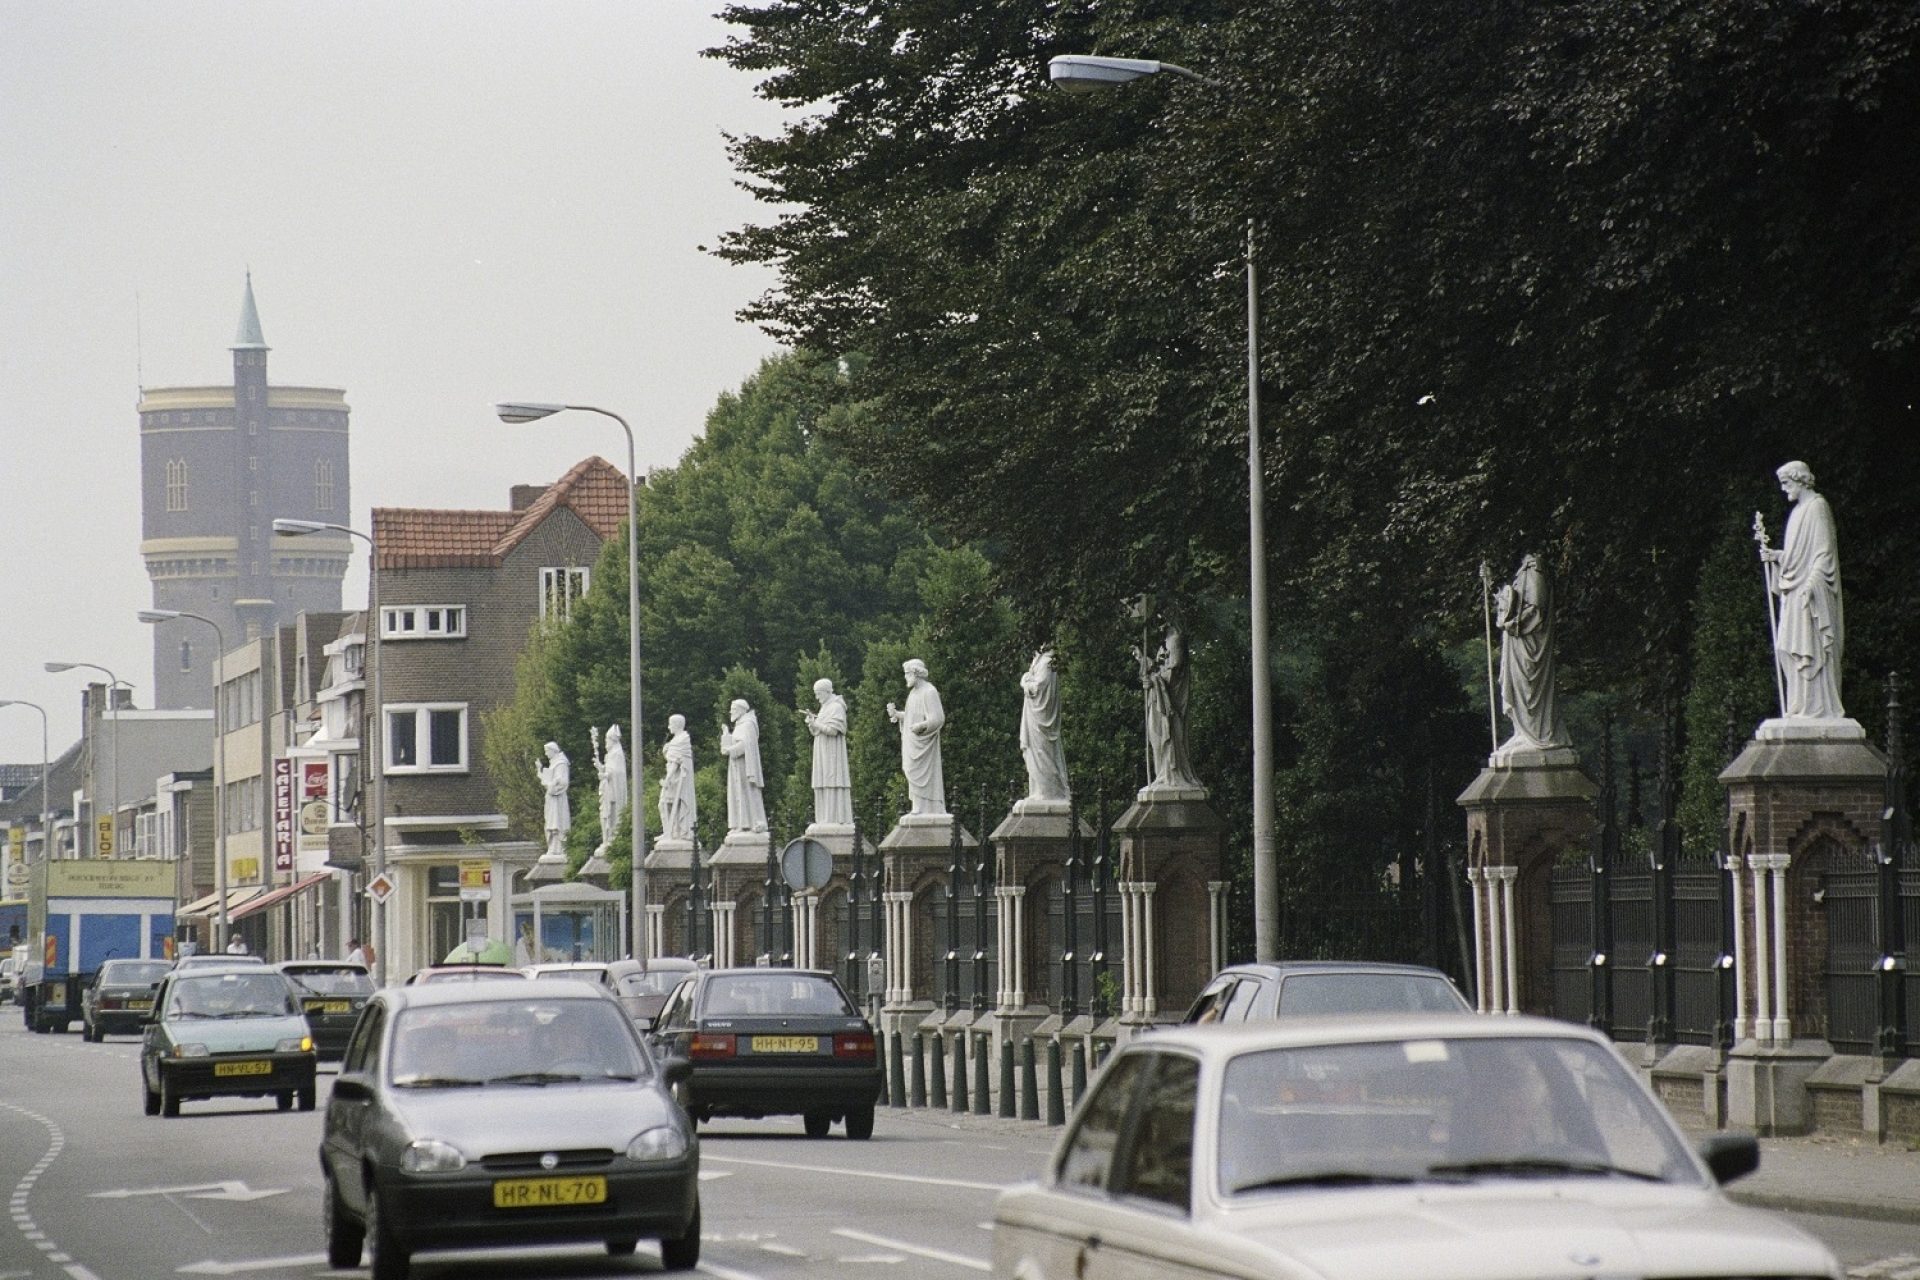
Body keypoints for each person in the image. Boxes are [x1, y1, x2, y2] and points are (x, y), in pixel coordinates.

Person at [1758, 460, 1846, 720]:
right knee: (1787, 648)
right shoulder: (1796, 512)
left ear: (1800, 480)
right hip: (1794, 592)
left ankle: (1817, 708)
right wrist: (1777, 556)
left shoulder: (1818, 507)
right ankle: (1800, 705)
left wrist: (1812, 584)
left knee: (1811, 647)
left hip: (1811, 592)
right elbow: (1798, 557)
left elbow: (1823, 553)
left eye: (1786, 483)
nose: (1784, 489)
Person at [1495, 553, 1570, 753]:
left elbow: (1537, 609)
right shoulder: (1522, 572)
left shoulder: (1534, 570)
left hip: (1529, 646)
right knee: (1519, 687)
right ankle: (1522, 733)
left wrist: (1512, 624)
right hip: (1518, 645)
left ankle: (1536, 735)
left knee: (1529, 689)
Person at [1137, 625, 1200, 791]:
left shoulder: (1175, 639)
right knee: (1156, 740)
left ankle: (1168, 776)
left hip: (1167, 709)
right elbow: (1161, 670)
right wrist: (1145, 663)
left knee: (1164, 740)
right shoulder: (1165, 641)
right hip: (1157, 704)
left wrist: (1153, 679)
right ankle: (1162, 776)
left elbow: (1174, 672)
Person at [887, 659, 947, 816]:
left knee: (925, 775)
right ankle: (918, 806)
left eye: (907, 674)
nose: (905, 677)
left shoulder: (929, 691)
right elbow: (912, 716)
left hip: (924, 743)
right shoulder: (913, 694)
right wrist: (897, 714)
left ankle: (929, 807)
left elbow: (938, 718)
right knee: (911, 771)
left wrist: (921, 726)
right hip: (912, 743)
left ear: (916, 673)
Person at [1019, 648, 1070, 804]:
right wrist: (1026, 679)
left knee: (1042, 752)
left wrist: (1025, 681)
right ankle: (1038, 790)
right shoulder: (1039, 661)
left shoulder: (1047, 663)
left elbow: (1037, 688)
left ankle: (1048, 792)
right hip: (1034, 716)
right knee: (1033, 753)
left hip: (1041, 719)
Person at [803, 678, 853, 827]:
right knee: (822, 781)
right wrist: (812, 724)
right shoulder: (825, 707)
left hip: (832, 752)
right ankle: (823, 818)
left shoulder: (836, 707)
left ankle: (833, 818)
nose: (817, 697)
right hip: (821, 750)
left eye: (818, 694)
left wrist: (816, 723)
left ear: (827, 691)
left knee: (831, 781)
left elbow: (833, 730)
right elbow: (818, 730)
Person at [720, 699, 767, 833]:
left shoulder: (748, 724)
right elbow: (737, 742)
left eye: (733, 709)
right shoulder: (740, 725)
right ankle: (740, 823)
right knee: (737, 792)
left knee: (745, 792)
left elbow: (745, 745)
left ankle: (750, 823)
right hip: (736, 765)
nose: (731, 712)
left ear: (741, 710)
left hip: (744, 766)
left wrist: (730, 750)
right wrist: (726, 736)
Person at [659, 714, 697, 841]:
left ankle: (675, 831)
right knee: (664, 804)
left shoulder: (682, 740)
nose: (669, 727)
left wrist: (667, 779)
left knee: (668, 804)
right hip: (673, 779)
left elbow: (676, 762)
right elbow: (672, 760)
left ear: (677, 725)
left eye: (670, 724)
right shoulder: (675, 741)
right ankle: (669, 831)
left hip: (677, 780)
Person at [596, 725, 629, 845]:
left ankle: (613, 836)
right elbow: (610, 769)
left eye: (607, 740)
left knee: (613, 813)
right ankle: (607, 838)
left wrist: (606, 775)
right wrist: (601, 767)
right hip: (608, 789)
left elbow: (617, 772)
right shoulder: (610, 754)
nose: (606, 743)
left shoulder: (617, 753)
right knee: (606, 814)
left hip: (614, 790)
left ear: (612, 740)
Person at [537, 741, 571, 857]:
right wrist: (539, 770)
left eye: (547, 751)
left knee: (557, 823)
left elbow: (563, 782)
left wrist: (552, 785)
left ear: (553, 750)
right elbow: (548, 780)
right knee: (551, 823)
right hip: (551, 799)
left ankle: (558, 849)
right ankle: (552, 848)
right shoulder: (554, 764)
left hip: (557, 799)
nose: (546, 754)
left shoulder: (561, 763)